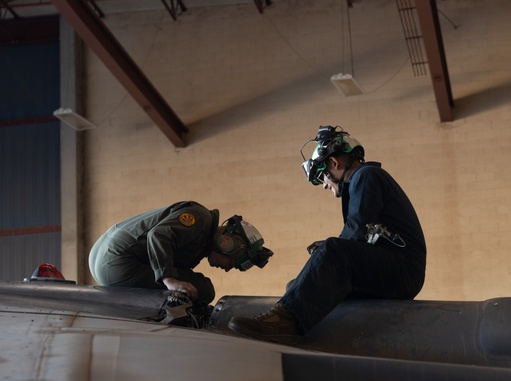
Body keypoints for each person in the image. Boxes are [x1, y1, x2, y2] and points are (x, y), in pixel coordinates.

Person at [228, 125, 427, 343]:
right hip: (395, 270)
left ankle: (284, 323)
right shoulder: (365, 179)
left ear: (334, 163)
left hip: (402, 272)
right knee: (297, 285)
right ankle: (292, 318)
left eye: (323, 176)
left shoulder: (366, 175)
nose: (324, 185)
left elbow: (357, 231)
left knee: (332, 251)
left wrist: (327, 252)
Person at [88, 201, 273, 304]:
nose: (226, 269)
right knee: (204, 289)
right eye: (231, 264)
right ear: (227, 244)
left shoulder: (201, 236)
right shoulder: (200, 219)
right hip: (119, 261)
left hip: (103, 259)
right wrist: (170, 280)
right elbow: (158, 235)